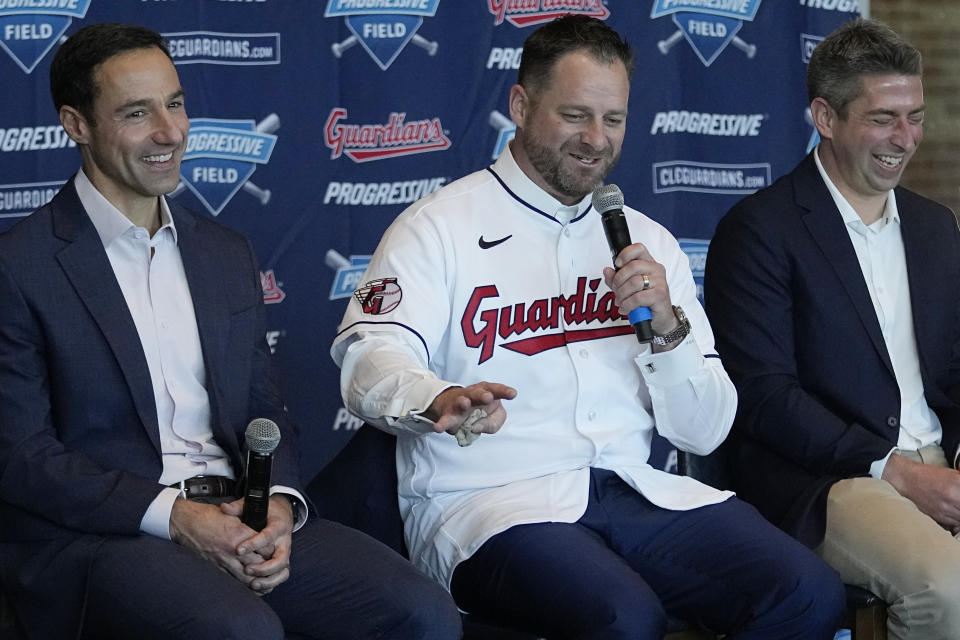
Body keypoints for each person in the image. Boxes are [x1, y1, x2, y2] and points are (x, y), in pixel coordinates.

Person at [333, 14, 845, 639]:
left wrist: (666, 328)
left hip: (635, 493)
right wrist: (435, 396)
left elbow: (704, 432)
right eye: (575, 115)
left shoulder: (648, 242)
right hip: (491, 504)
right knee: (622, 617)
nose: (596, 140)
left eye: (614, 119)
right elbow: (370, 355)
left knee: (806, 591)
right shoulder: (437, 227)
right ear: (521, 105)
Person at [0, 23, 461, 640]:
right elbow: (21, 457)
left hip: (241, 512)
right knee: (240, 631)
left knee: (421, 613)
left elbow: (265, 412)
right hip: (109, 535)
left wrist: (278, 504)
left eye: (176, 103)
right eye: (137, 113)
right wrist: (177, 517)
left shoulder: (223, 252)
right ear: (77, 124)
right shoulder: (20, 264)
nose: (169, 132)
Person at [704, 17, 960, 639]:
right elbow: (765, 398)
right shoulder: (760, 230)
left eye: (916, 116)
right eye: (882, 118)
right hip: (829, 480)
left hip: (943, 460)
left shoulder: (934, 226)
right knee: (949, 591)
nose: (905, 138)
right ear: (825, 117)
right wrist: (894, 470)